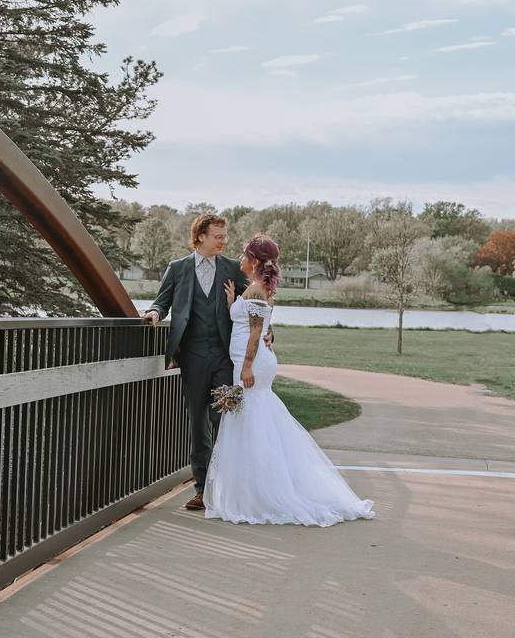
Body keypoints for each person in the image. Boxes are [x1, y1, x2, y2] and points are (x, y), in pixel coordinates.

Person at [203, 234, 375, 526]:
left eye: (245, 255)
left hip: (252, 365)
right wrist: (234, 302)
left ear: (254, 261)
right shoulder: (256, 289)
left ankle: (261, 494)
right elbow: (259, 324)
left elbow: (257, 333)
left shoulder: (257, 290)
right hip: (250, 362)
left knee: (252, 421)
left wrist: (246, 366)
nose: (241, 259)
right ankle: (253, 489)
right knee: (255, 420)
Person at [141, 213, 250, 510]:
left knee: (223, 420)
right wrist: (154, 313)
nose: (223, 241)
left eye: (224, 236)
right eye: (217, 235)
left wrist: (266, 333)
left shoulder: (231, 268)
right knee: (197, 424)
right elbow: (162, 300)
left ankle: (226, 488)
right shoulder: (178, 269)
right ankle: (202, 489)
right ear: (200, 236)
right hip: (191, 357)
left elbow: (252, 303)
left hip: (224, 358)